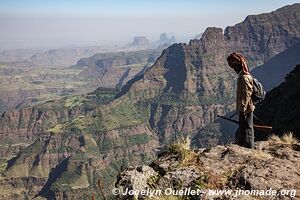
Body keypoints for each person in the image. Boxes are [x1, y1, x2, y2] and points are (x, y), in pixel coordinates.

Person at [227, 52, 255, 149]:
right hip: (243, 108)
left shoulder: (244, 77)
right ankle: (244, 147)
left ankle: (249, 148)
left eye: (233, 66)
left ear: (237, 65)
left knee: (248, 129)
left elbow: (246, 95)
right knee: (243, 129)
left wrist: (242, 109)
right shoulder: (242, 76)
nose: (233, 69)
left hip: (246, 109)